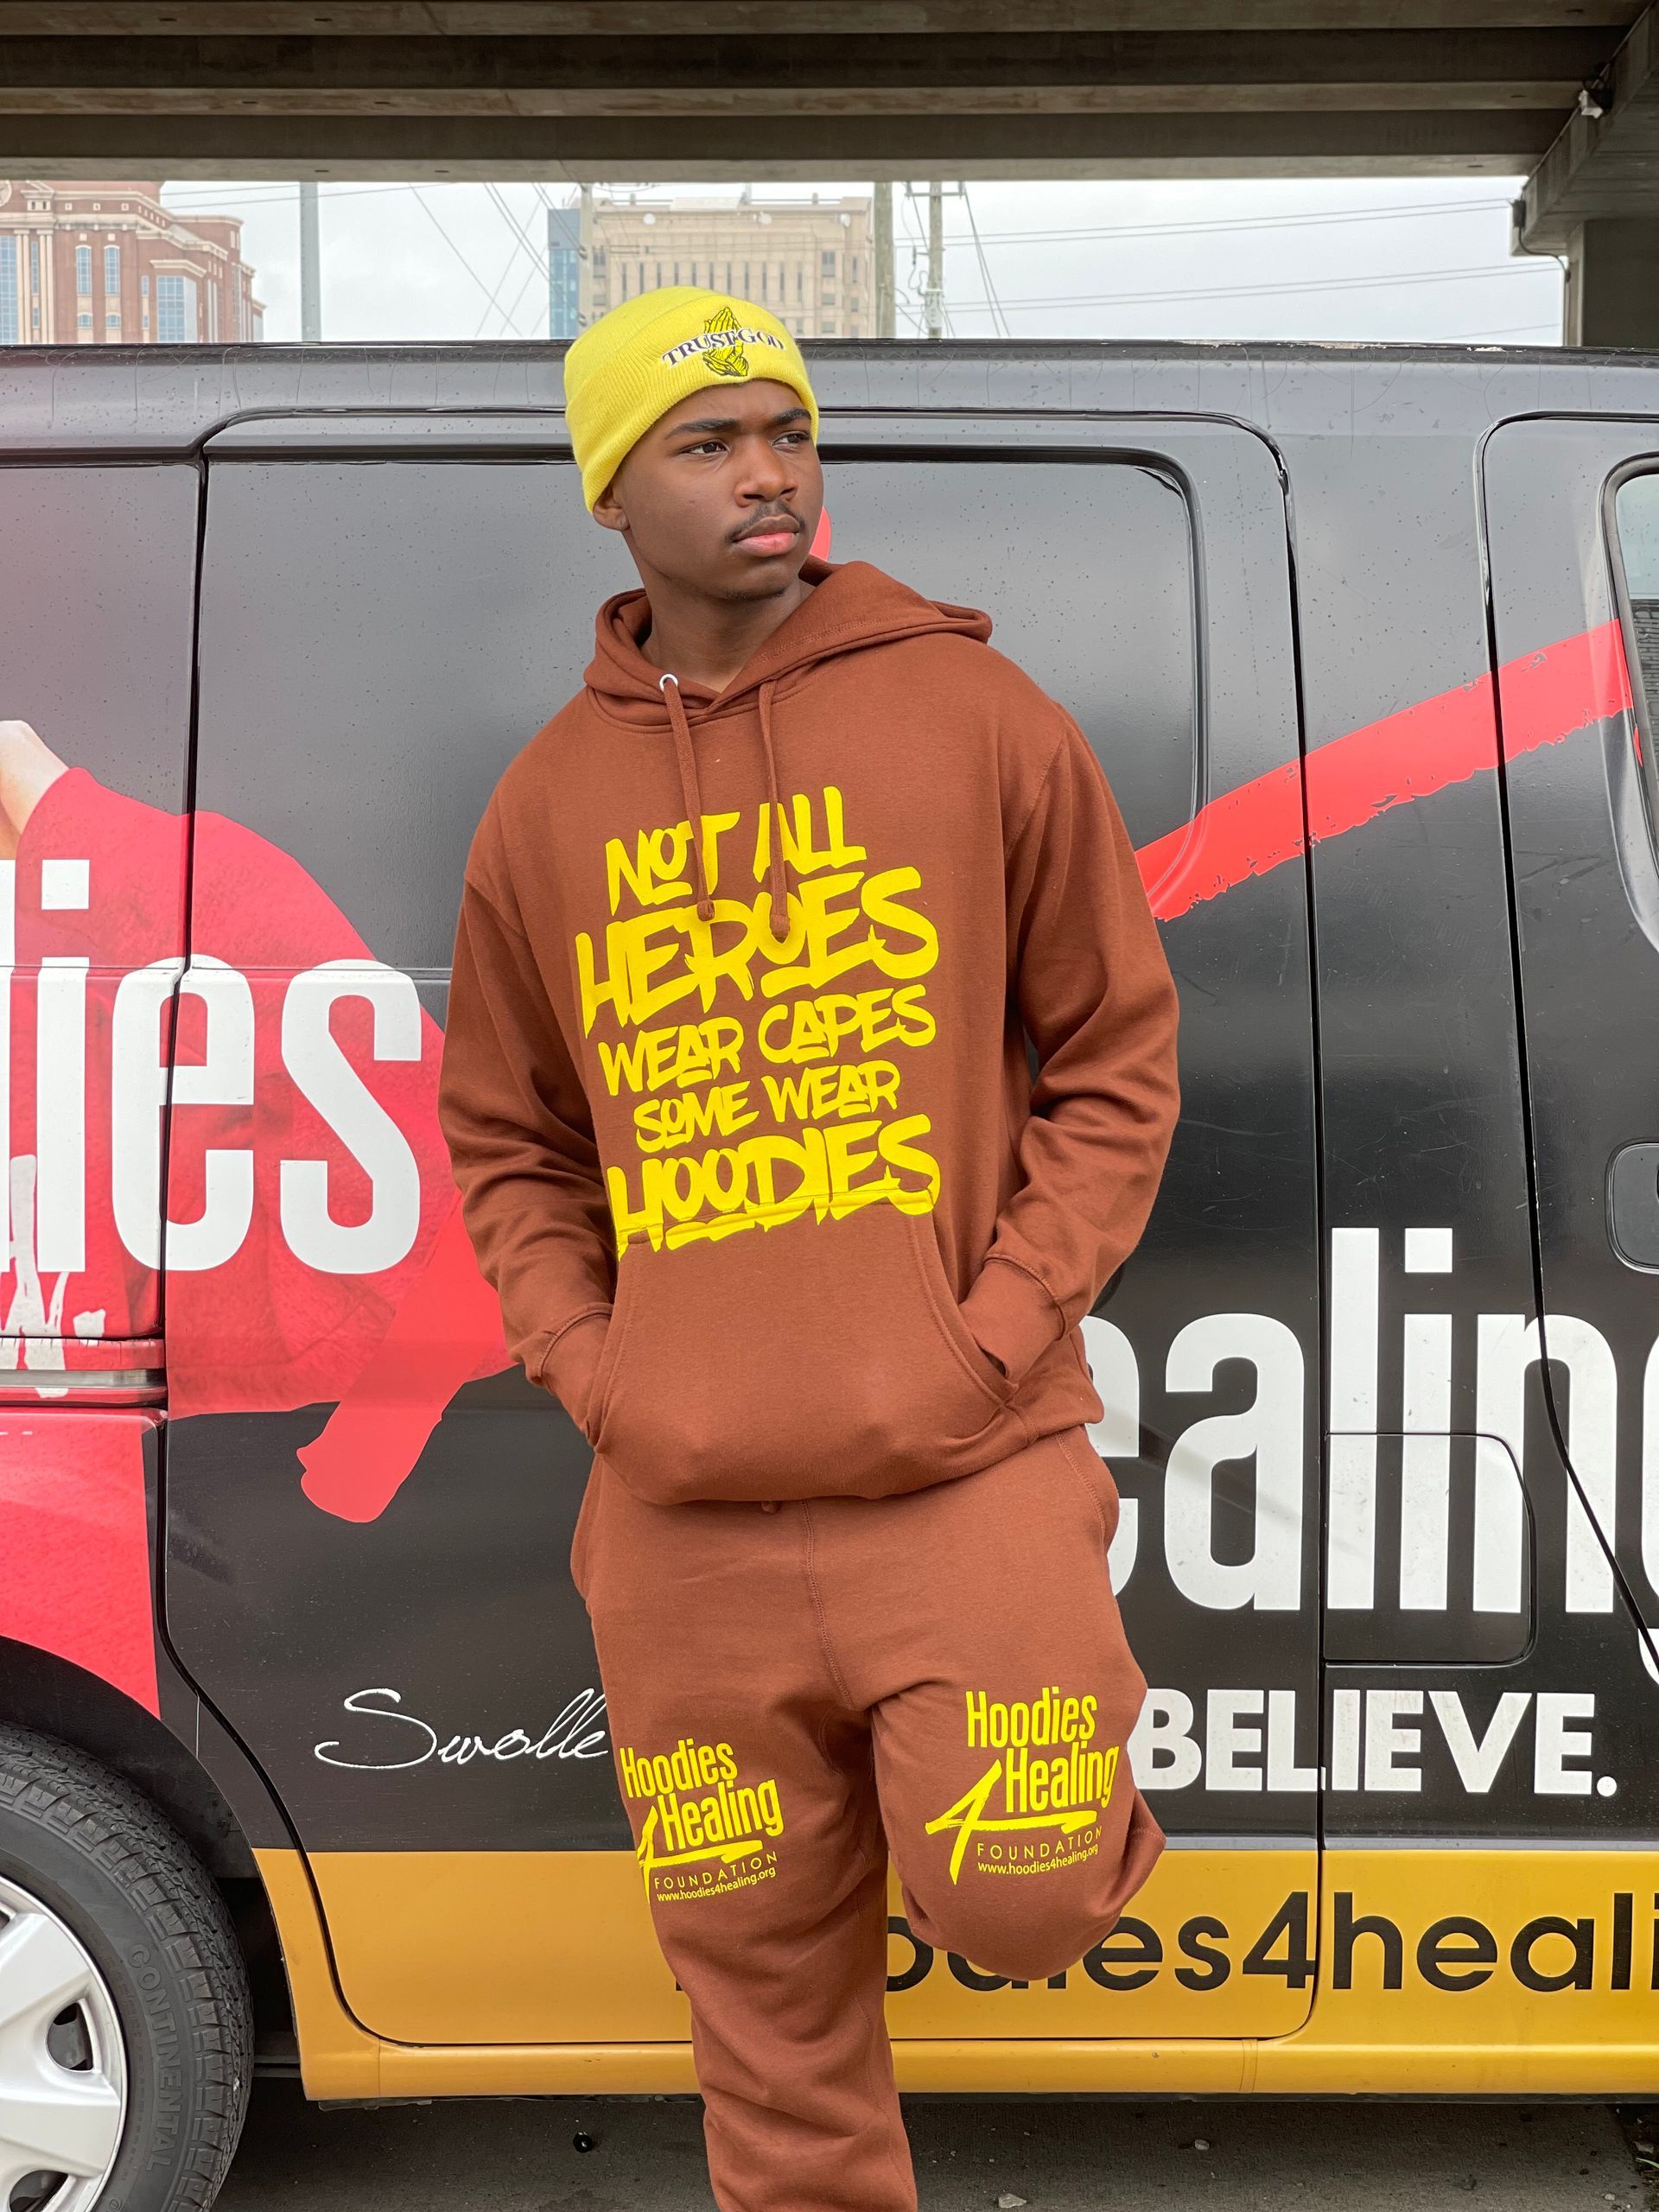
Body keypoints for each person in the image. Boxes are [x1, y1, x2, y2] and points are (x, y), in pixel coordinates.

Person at [437, 286, 1181, 2212]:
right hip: (685, 1523)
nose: (769, 473)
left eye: (790, 430)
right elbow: (507, 1138)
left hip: (962, 1459)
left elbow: (1117, 1057)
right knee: (764, 2011)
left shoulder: (978, 715)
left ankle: (1049, 1801)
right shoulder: (542, 808)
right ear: (612, 488)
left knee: (1015, 1900)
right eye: (710, 441)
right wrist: (597, 1372)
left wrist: (995, 1331)